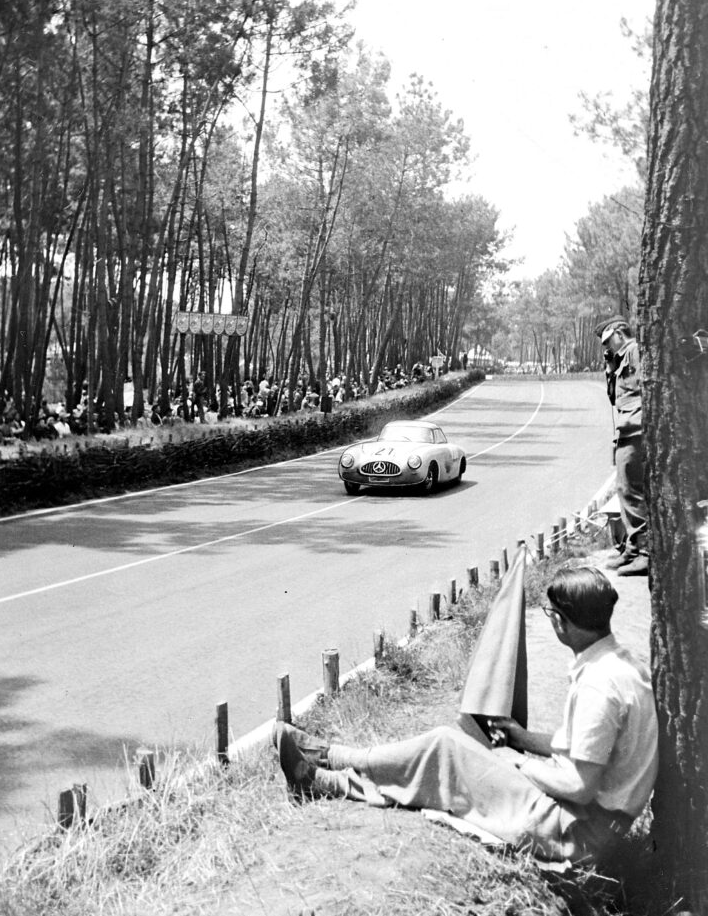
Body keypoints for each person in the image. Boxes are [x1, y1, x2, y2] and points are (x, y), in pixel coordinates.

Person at [273, 566, 657, 870]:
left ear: (559, 622)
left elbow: (579, 786)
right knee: (453, 748)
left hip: (575, 832)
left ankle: (330, 772)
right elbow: (585, 747)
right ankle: (331, 766)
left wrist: (518, 761)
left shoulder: (598, 687)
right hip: (595, 825)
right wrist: (521, 738)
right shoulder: (619, 665)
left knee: (446, 746)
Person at [595, 319, 649, 577]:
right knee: (625, 490)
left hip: (637, 429)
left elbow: (647, 387)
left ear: (618, 333)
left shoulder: (636, 351)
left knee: (631, 490)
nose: (607, 348)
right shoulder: (620, 359)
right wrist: (609, 367)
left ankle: (644, 552)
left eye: (607, 342)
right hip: (626, 431)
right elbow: (614, 398)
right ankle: (632, 548)